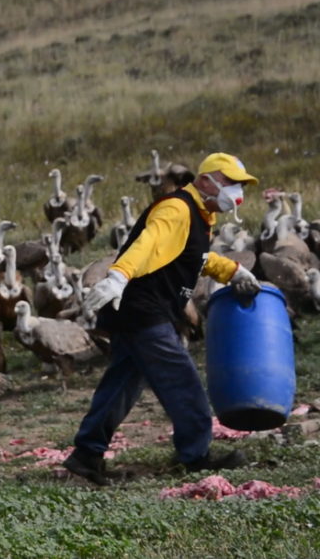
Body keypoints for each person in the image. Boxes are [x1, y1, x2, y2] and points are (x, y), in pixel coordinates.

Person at [63, 152, 262, 486]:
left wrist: (232, 270)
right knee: (182, 380)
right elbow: (149, 244)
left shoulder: (200, 214)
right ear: (205, 181)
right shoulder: (176, 209)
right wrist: (118, 275)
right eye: (230, 182)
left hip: (137, 310)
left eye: (240, 185)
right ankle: (196, 456)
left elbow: (193, 256)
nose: (237, 192)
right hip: (143, 309)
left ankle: (86, 455)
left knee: (123, 383)